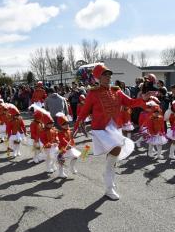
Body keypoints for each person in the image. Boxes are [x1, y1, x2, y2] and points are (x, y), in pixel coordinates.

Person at [75, 64, 146, 200]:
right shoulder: (93, 93)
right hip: (101, 129)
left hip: (115, 128)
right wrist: (76, 127)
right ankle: (109, 186)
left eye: (109, 75)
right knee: (116, 149)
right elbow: (84, 112)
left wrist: (144, 99)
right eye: (104, 75)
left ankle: (108, 177)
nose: (108, 77)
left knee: (113, 157)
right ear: (98, 77)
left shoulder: (117, 91)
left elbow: (130, 102)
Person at [56, 112, 81, 177]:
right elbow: (62, 140)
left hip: (70, 147)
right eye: (64, 124)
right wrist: (68, 144)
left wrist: (72, 143)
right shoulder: (60, 132)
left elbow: (71, 138)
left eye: (67, 123)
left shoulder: (68, 130)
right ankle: (61, 173)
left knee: (75, 156)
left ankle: (72, 167)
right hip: (63, 148)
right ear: (60, 125)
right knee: (61, 160)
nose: (66, 125)